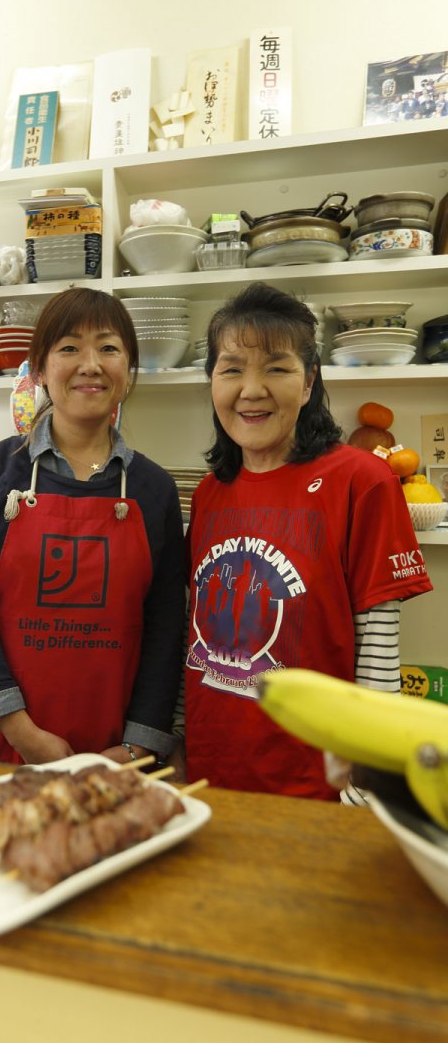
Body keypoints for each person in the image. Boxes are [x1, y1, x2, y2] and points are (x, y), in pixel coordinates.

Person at [180, 281, 433, 799]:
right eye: (231, 369)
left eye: (276, 367)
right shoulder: (210, 493)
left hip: (316, 785)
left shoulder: (362, 481)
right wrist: (179, 738)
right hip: (210, 769)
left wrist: (367, 778)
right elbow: (195, 632)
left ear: (310, 379)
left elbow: (379, 641)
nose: (251, 390)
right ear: (211, 381)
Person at [0, 287, 185, 767]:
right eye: (69, 347)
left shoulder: (153, 489)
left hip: (111, 747)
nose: (90, 364)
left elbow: (165, 627)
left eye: (109, 348)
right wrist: (22, 732)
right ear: (39, 369)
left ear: (128, 371)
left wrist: (138, 744)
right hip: (0, 744)